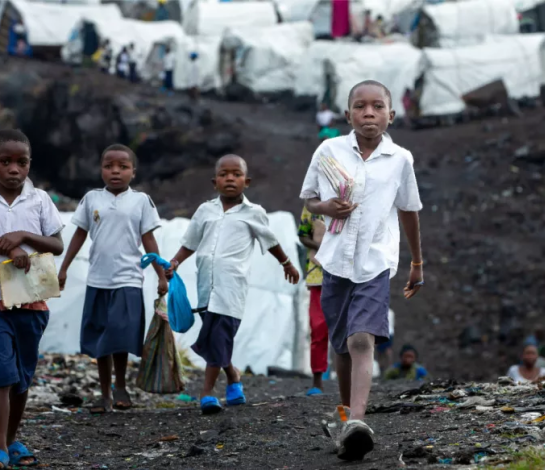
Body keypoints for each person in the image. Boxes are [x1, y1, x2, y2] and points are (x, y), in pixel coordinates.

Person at [300, 79, 424, 461]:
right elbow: (309, 199)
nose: (368, 113)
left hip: (375, 261)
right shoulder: (328, 151)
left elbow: (408, 210)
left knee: (360, 339)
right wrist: (327, 209)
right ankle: (345, 419)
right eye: (360, 106)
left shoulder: (400, 159)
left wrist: (417, 262)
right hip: (335, 261)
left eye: (377, 106)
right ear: (347, 113)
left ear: (391, 113)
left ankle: (357, 419)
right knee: (340, 344)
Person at [165, 154, 300, 415]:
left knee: (218, 337)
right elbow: (190, 243)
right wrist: (175, 261)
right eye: (224, 174)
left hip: (231, 289)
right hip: (207, 287)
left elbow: (270, 241)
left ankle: (206, 394)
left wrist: (287, 264)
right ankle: (233, 376)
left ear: (246, 181)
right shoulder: (205, 211)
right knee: (217, 340)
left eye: (236, 174)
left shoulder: (253, 213)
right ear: (214, 181)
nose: (230, 178)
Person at [0, 130, 65, 469]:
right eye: (5, 161)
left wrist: (23, 236)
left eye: (21, 162)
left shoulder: (39, 200)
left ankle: (12, 439)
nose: (13, 169)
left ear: (29, 165)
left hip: (33, 303)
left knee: (21, 378)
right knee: (1, 374)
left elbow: (57, 245)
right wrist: (3, 245)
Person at [58, 144, 168, 413]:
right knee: (100, 338)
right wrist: (63, 268)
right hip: (98, 279)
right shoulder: (91, 199)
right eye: (109, 166)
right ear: (101, 170)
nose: (115, 171)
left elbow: (148, 238)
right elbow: (80, 234)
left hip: (128, 278)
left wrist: (161, 275)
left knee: (120, 334)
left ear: (133, 172)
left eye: (123, 167)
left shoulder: (141, 201)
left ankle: (121, 385)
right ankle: (105, 393)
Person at [298, 206, 327, 396]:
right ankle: (317, 380)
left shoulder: (351, 199)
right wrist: (321, 247)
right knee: (318, 327)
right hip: (318, 275)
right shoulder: (311, 206)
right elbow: (302, 235)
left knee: (349, 329)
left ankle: (351, 380)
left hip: (347, 275)